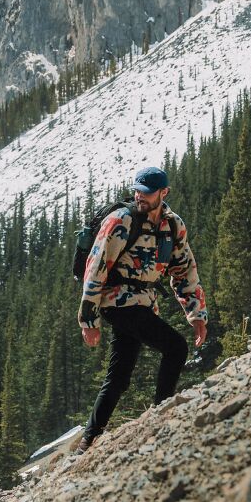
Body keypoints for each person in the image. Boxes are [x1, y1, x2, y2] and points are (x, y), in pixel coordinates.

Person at [77, 166, 207, 454]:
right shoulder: (120, 220)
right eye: (137, 190)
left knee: (119, 377)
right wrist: (88, 318)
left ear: (164, 193)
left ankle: (87, 441)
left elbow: (184, 270)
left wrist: (197, 313)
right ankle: (161, 415)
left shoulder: (173, 226)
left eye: (147, 193)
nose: (140, 196)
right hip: (117, 302)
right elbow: (95, 267)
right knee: (175, 347)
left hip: (143, 303)